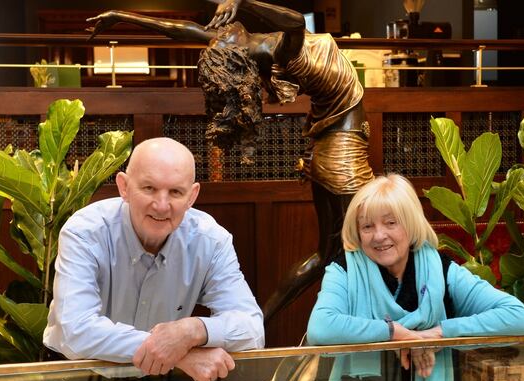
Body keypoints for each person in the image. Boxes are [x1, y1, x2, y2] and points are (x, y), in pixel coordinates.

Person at [87, 0, 375, 323]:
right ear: (240, 58)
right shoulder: (278, 49)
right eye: (222, 38)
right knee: (358, 250)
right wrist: (241, 1)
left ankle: (262, 321)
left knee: (332, 256)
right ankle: (326, 327)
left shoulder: (244, 44)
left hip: (329, 137)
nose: (221, 33)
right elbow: (295, 21)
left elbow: (186, 31)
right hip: (341, 146)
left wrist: (122, 17)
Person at [306, 174, 524, 381]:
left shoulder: (440, 267)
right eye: (367, 226)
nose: (379, 236)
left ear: (411, 224)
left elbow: (518, 317)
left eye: (391, 223)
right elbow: (320, 328)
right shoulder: (343, 269)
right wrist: (396, 333)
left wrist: (436, 335)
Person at [44, 137, 264, 381]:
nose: (161, 205)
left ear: (192, 196)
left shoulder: (211, 241)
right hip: (79, 375)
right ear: (124, 187)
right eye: (149, 188)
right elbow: (77, 331)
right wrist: (180, 353)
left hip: (160, 379)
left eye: (175, 192)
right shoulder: (84, 232)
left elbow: (253, 330)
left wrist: (192, 331)